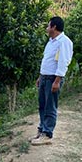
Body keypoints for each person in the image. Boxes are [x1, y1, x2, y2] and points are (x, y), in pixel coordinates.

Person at [30, 16, 73, 146]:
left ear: (54, 27)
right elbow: (47, 60)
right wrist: (40, 76)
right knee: (42, 105)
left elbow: (63, 62)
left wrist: (57, 80)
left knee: (50, 106)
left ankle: (47, 134)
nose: (47, 28)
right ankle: (42, 129)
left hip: (53, 78)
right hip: (45, 77)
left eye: (48, 26)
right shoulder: (51, 41)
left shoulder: (64, 42)